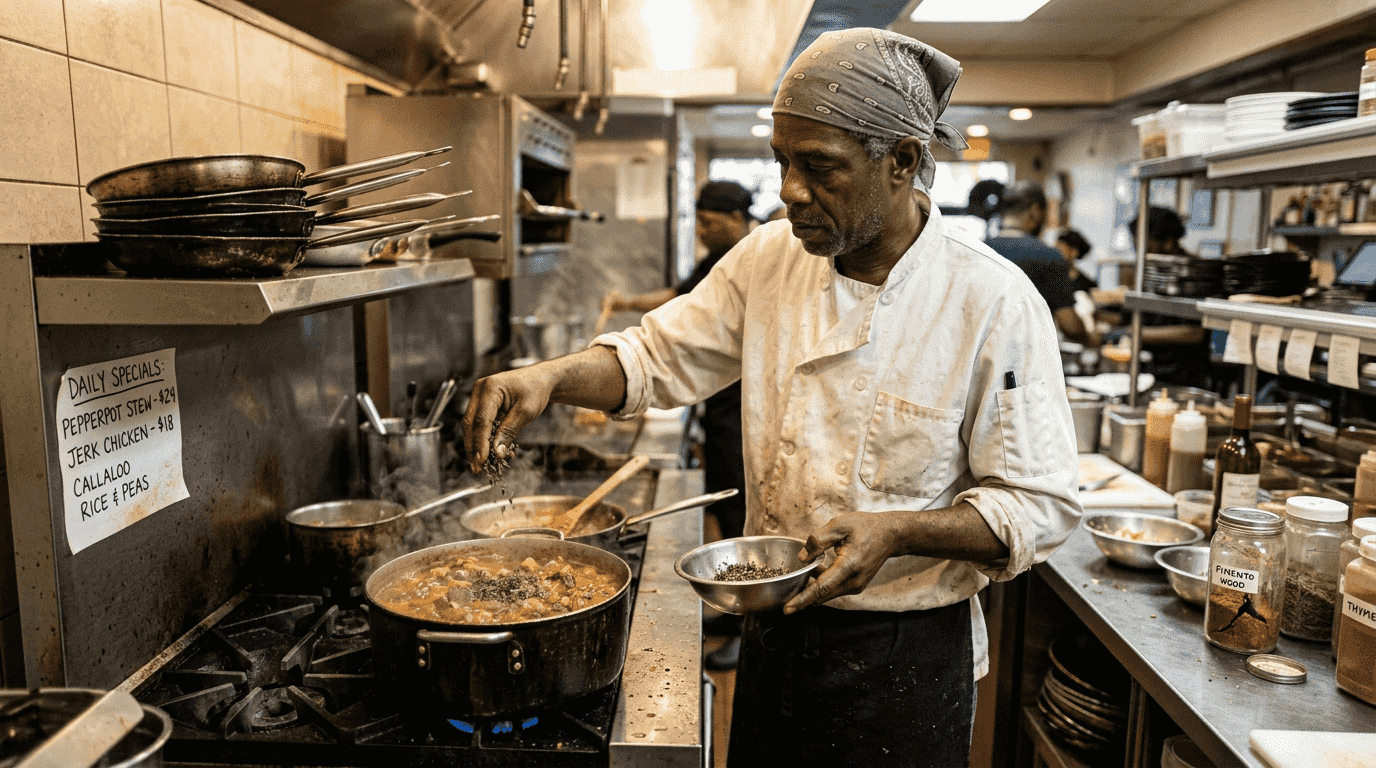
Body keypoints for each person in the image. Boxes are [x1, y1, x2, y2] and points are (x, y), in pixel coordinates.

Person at [463, 27, 1081, 767]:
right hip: (773, 634)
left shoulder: (991, 301)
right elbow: (656, 356)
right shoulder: (769, 256)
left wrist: (899, 531)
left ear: (904, 162)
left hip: (901, 662)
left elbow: (1040, 505)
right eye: (782, 161)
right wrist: (551, 378)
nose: (790, 190)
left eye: (819, 167)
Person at [602, 180, 752, 670]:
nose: (705, 232)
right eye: (701, 223)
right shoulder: (719, 260)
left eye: (710, 222)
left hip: (744, 409)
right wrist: (627, 306)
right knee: (729, 517)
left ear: (736, 216)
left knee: (740, 518)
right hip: (723, 408)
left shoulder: (752, 254)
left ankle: (750, 631)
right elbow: (681, 299)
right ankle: (734, 615)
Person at [986, 182, 1095, 346]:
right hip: (1026, 360)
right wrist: (1093, 339)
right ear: (1035, 212)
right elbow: (1069, 325)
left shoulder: (979, 250)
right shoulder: (1047, 256)